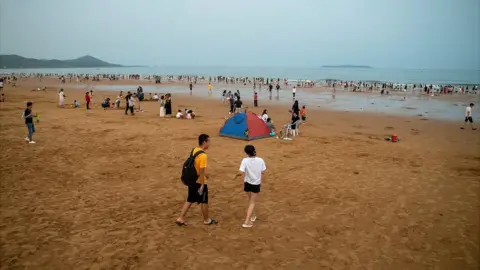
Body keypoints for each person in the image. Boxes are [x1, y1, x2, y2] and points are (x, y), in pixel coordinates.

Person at [176, 134, 217, 226]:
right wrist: (202, 184)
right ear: (205, 142)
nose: (209, 144)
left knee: (190, 199)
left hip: (192, 180)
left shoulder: (194, 150)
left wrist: (205, 174)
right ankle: (207, 220)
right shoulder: (203, 156)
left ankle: (181, 218)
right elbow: (201, 172)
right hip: (199, 181)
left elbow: (196, 166)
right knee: (204, 200)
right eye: (209, 141)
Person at [236, 145, 266, 228]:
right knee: (252, 202)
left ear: (246, 153)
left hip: (247, 183)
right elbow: (263, 171)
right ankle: (247, 222)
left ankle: (252, 217)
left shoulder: (245, 160)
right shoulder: (260, 160)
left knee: (250, 200)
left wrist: (236, 175)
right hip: (256, 184)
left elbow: (241, 172)